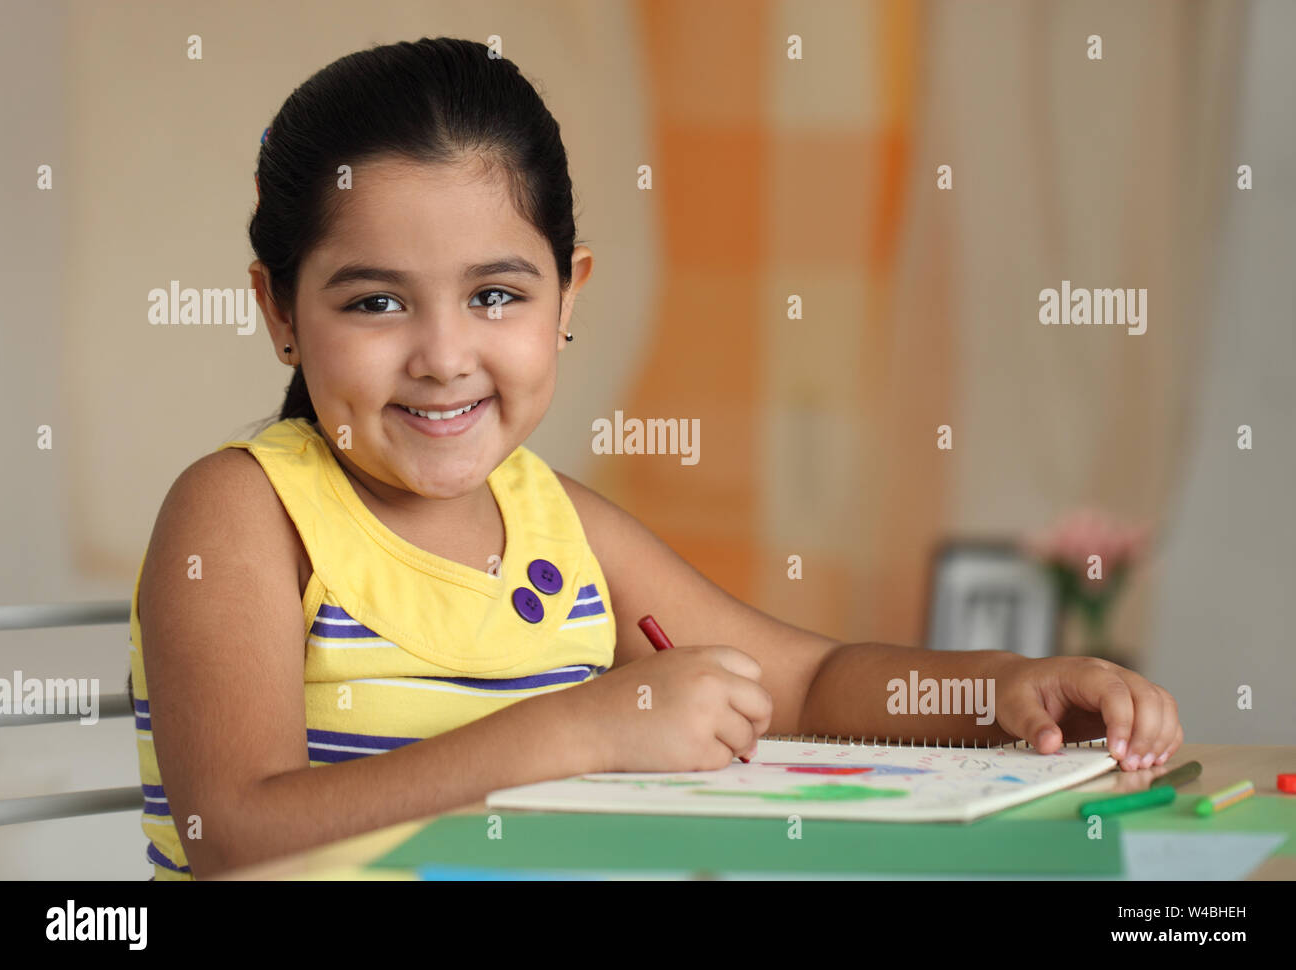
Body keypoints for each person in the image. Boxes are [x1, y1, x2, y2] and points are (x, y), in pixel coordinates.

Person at [128, 37, 1182, 881]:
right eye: (374, 301)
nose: (444, 357)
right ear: (278, 308)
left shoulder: (557, 526)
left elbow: (810, 684)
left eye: (496, 294)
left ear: (568, 295)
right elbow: (234, 835)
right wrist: (584, 728)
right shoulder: (242, 513)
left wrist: (1002, 690)